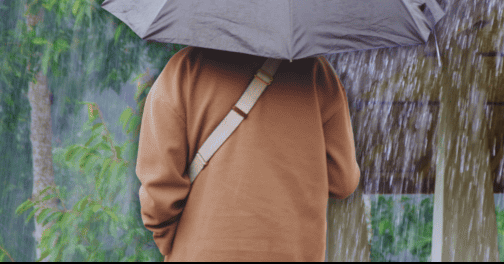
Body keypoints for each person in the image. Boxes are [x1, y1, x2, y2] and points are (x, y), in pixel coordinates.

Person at [136, 46, 361, 261]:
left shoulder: (184, 69)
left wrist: (173, 243)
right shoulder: (317, 73)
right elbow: (343, 181)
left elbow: (158, 192)